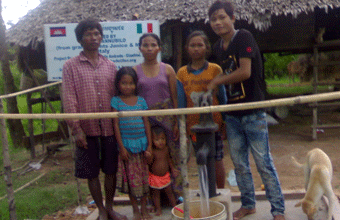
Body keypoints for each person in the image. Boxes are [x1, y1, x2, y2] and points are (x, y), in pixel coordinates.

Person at [207, 1, 286, 220]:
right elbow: (229, 76)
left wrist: (217, 81)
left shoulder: (243, 37)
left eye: (222, 17)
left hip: (252, 110)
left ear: (232, 18)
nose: (218, 22)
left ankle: (278, 209)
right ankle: (248, 204)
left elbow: (245, 72)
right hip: (233, 114)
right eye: (213, 19)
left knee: (263, 162)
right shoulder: (217, 47)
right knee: (240, 164)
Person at [62, 19, 126, 220]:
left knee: (110, 170)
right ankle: (100, 210)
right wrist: (76, 128)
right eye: (89, 34)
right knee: (91, 172)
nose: (93, 37)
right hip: (86, 128)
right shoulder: (70, 66)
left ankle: (110, 207)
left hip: (108, 127)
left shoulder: (110, 65)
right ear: (81, 38)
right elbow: (69, 98)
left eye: (97, 33)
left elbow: (117, 96)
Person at [133, 33, 182, 196]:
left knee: (172, 154)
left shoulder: (167, 69)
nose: (149, 48)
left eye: (153, 45)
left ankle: (175, 195)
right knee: (149, 157)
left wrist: (176, 122)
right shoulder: (135, 71)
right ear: (140, 48)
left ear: (159, 48)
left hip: (168, 120)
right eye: (145, 45)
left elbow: (175, 97)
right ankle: (153, 197)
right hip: (146, 121)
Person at [176, 30, 227, 188]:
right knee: (201, 160)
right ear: (187, 48)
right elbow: (182, 103)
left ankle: (218, 193)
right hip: (194, 127)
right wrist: (182, 127)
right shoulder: (182, 73)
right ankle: (206, 192)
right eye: (192, 45)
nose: (196, 48)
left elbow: (223, 99)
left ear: (207, 48)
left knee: (217, 159)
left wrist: (225, 122)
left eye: (200, 45)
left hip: (215, 124)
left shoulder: (215, 70)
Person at [111, 67, 153, 220]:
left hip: (141, 147)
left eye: (131, 83)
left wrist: (149, 146)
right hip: (127, 148)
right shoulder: (115, 101)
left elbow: (146, 122)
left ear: (136, 84)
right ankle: (135, 209)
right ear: (118, 84)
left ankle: (144, 208)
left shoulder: (141, 101)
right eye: (124, 83)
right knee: (131, 181)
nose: (127, 86)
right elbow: (115, 125)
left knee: (143, 180)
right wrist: (121, 147)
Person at [146, 125, 180, 216]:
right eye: (157, 140)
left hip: (165, 176)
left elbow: (169, 160)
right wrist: (148, 156)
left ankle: (175, 207)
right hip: (155, 177)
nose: (160, 142)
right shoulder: (153, 151)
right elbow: (149, 163)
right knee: (156, 195)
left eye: (163, 138)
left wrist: (173, 169)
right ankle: (159, 209)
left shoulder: (166, 149)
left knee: (170, 193)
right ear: (152, 141)